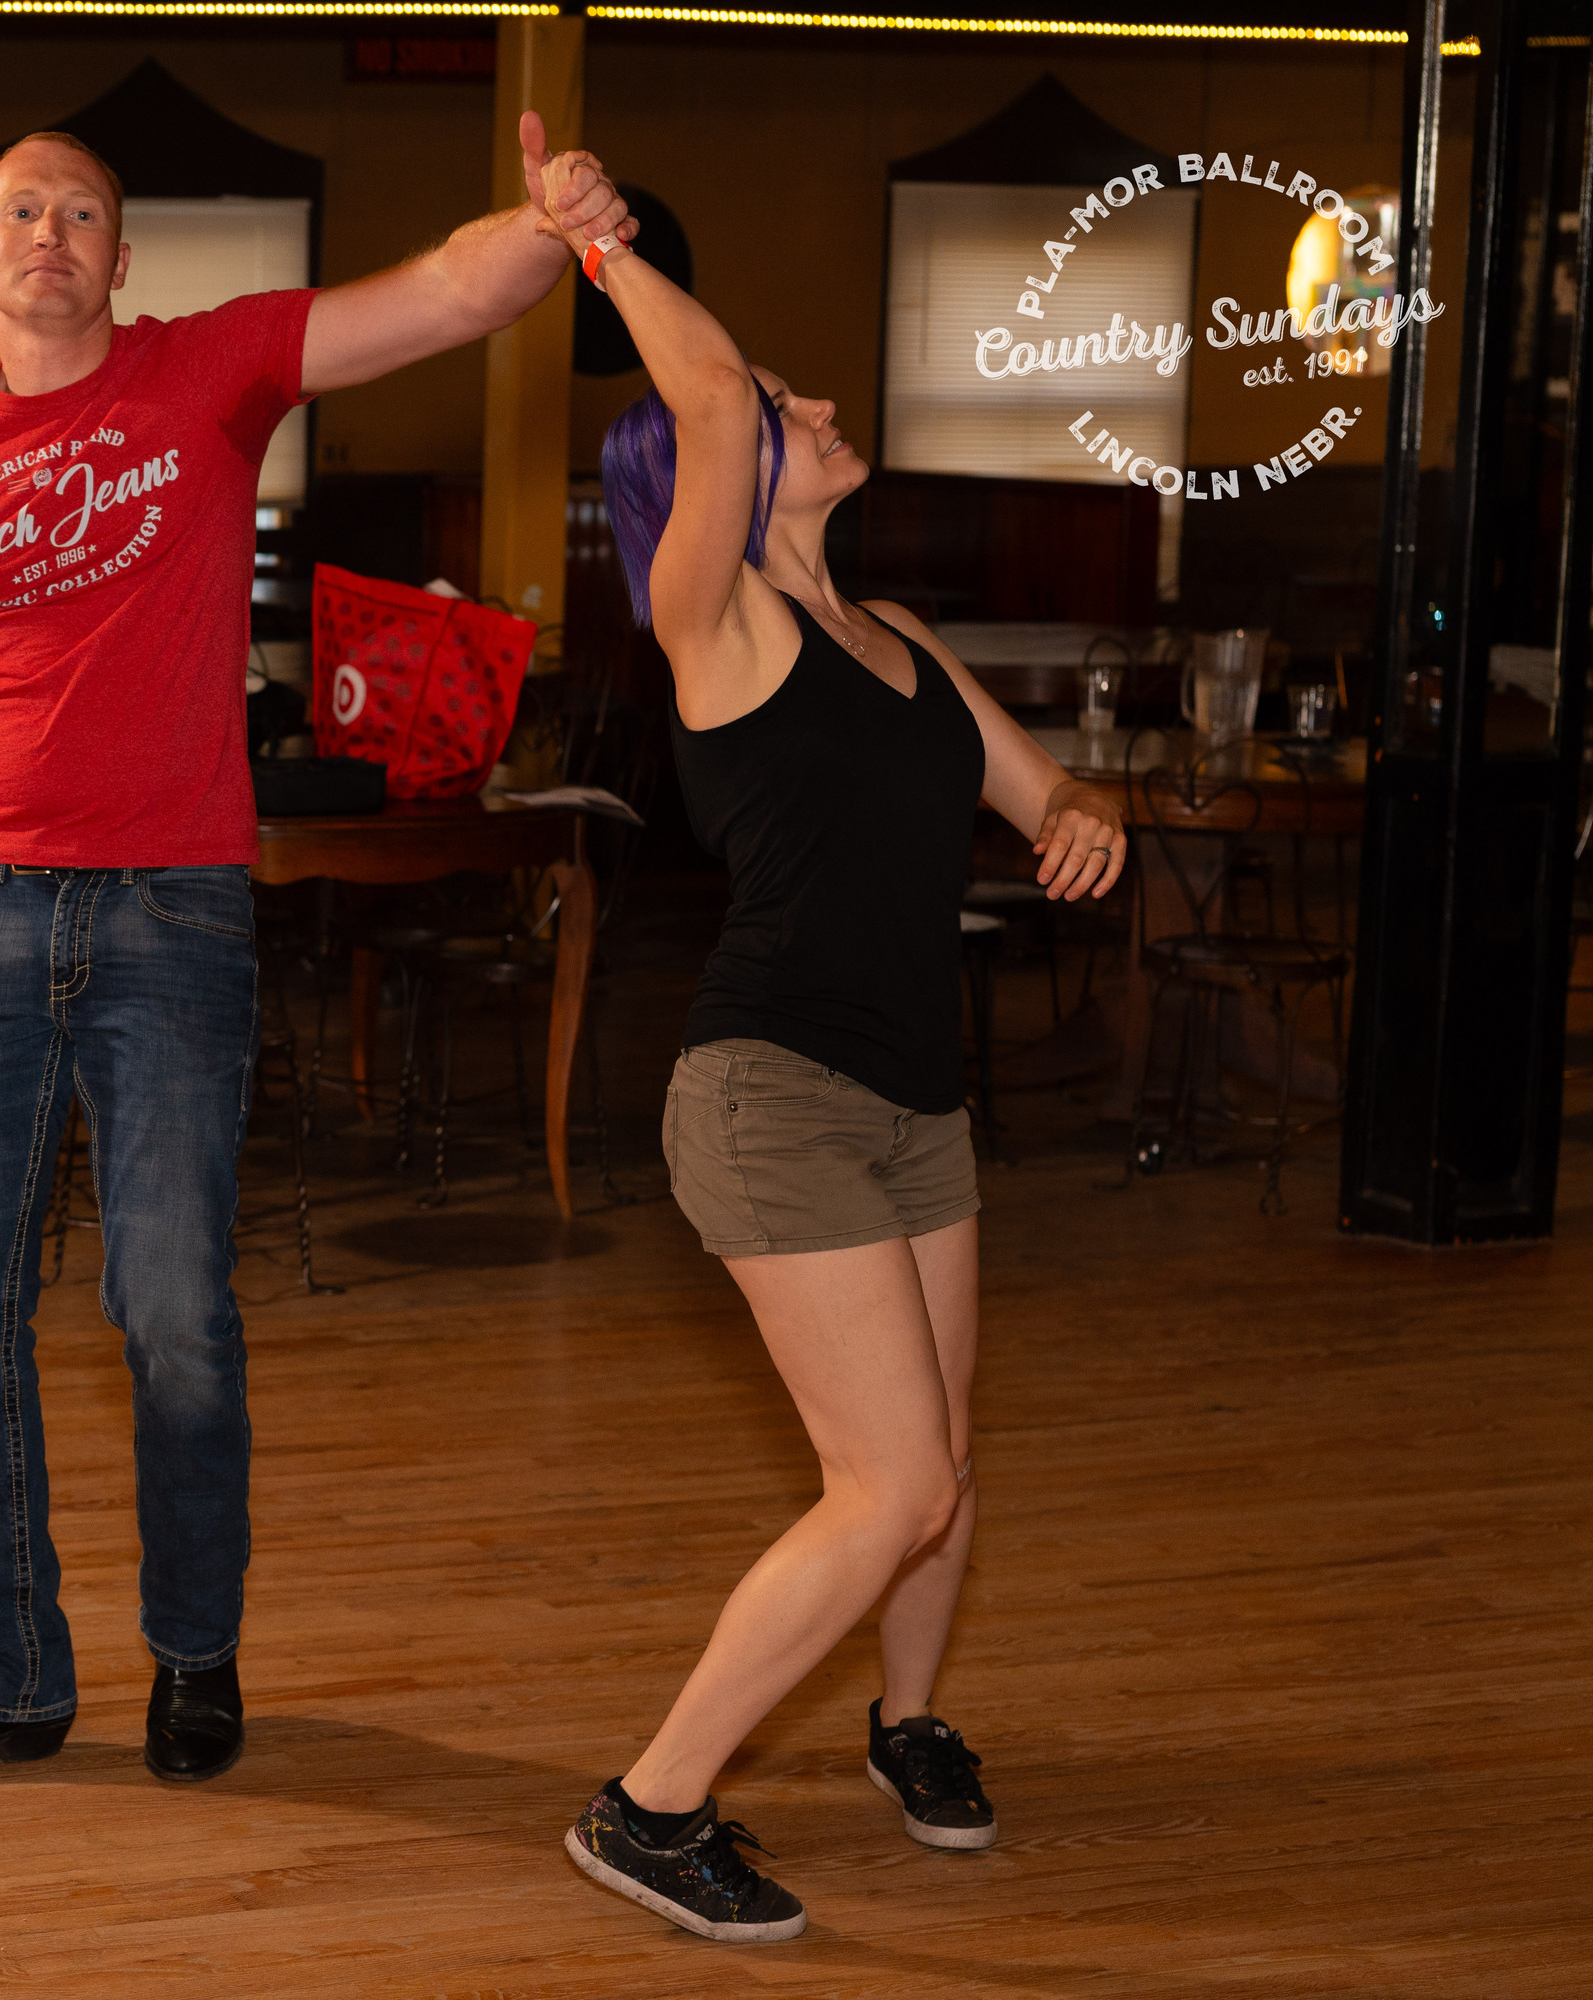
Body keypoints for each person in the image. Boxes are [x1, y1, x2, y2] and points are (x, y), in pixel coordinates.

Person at [0, 123, 636, 1791]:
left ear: (120, 264)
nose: (49, 231)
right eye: (20, 210)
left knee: (173, 1308)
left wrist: (549, 230)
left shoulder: (212, 372)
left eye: (81, 211)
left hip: (172, 914)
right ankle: (3, 1677)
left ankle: (194, 1656)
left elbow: (440, 296)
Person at [545, 172, 1127, 1940]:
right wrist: (601, 243)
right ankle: (649, 1806)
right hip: (772, 1095)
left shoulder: (907, 643)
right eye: (779, 408)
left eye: (796, 396)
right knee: (895, 1484)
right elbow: (711, 394)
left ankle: (909, 1722)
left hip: (917, 1101)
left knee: (944, 1462)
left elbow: (1046, 787)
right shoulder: (716, 627)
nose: (808, 406)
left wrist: (1080, 815)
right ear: (711, 481)